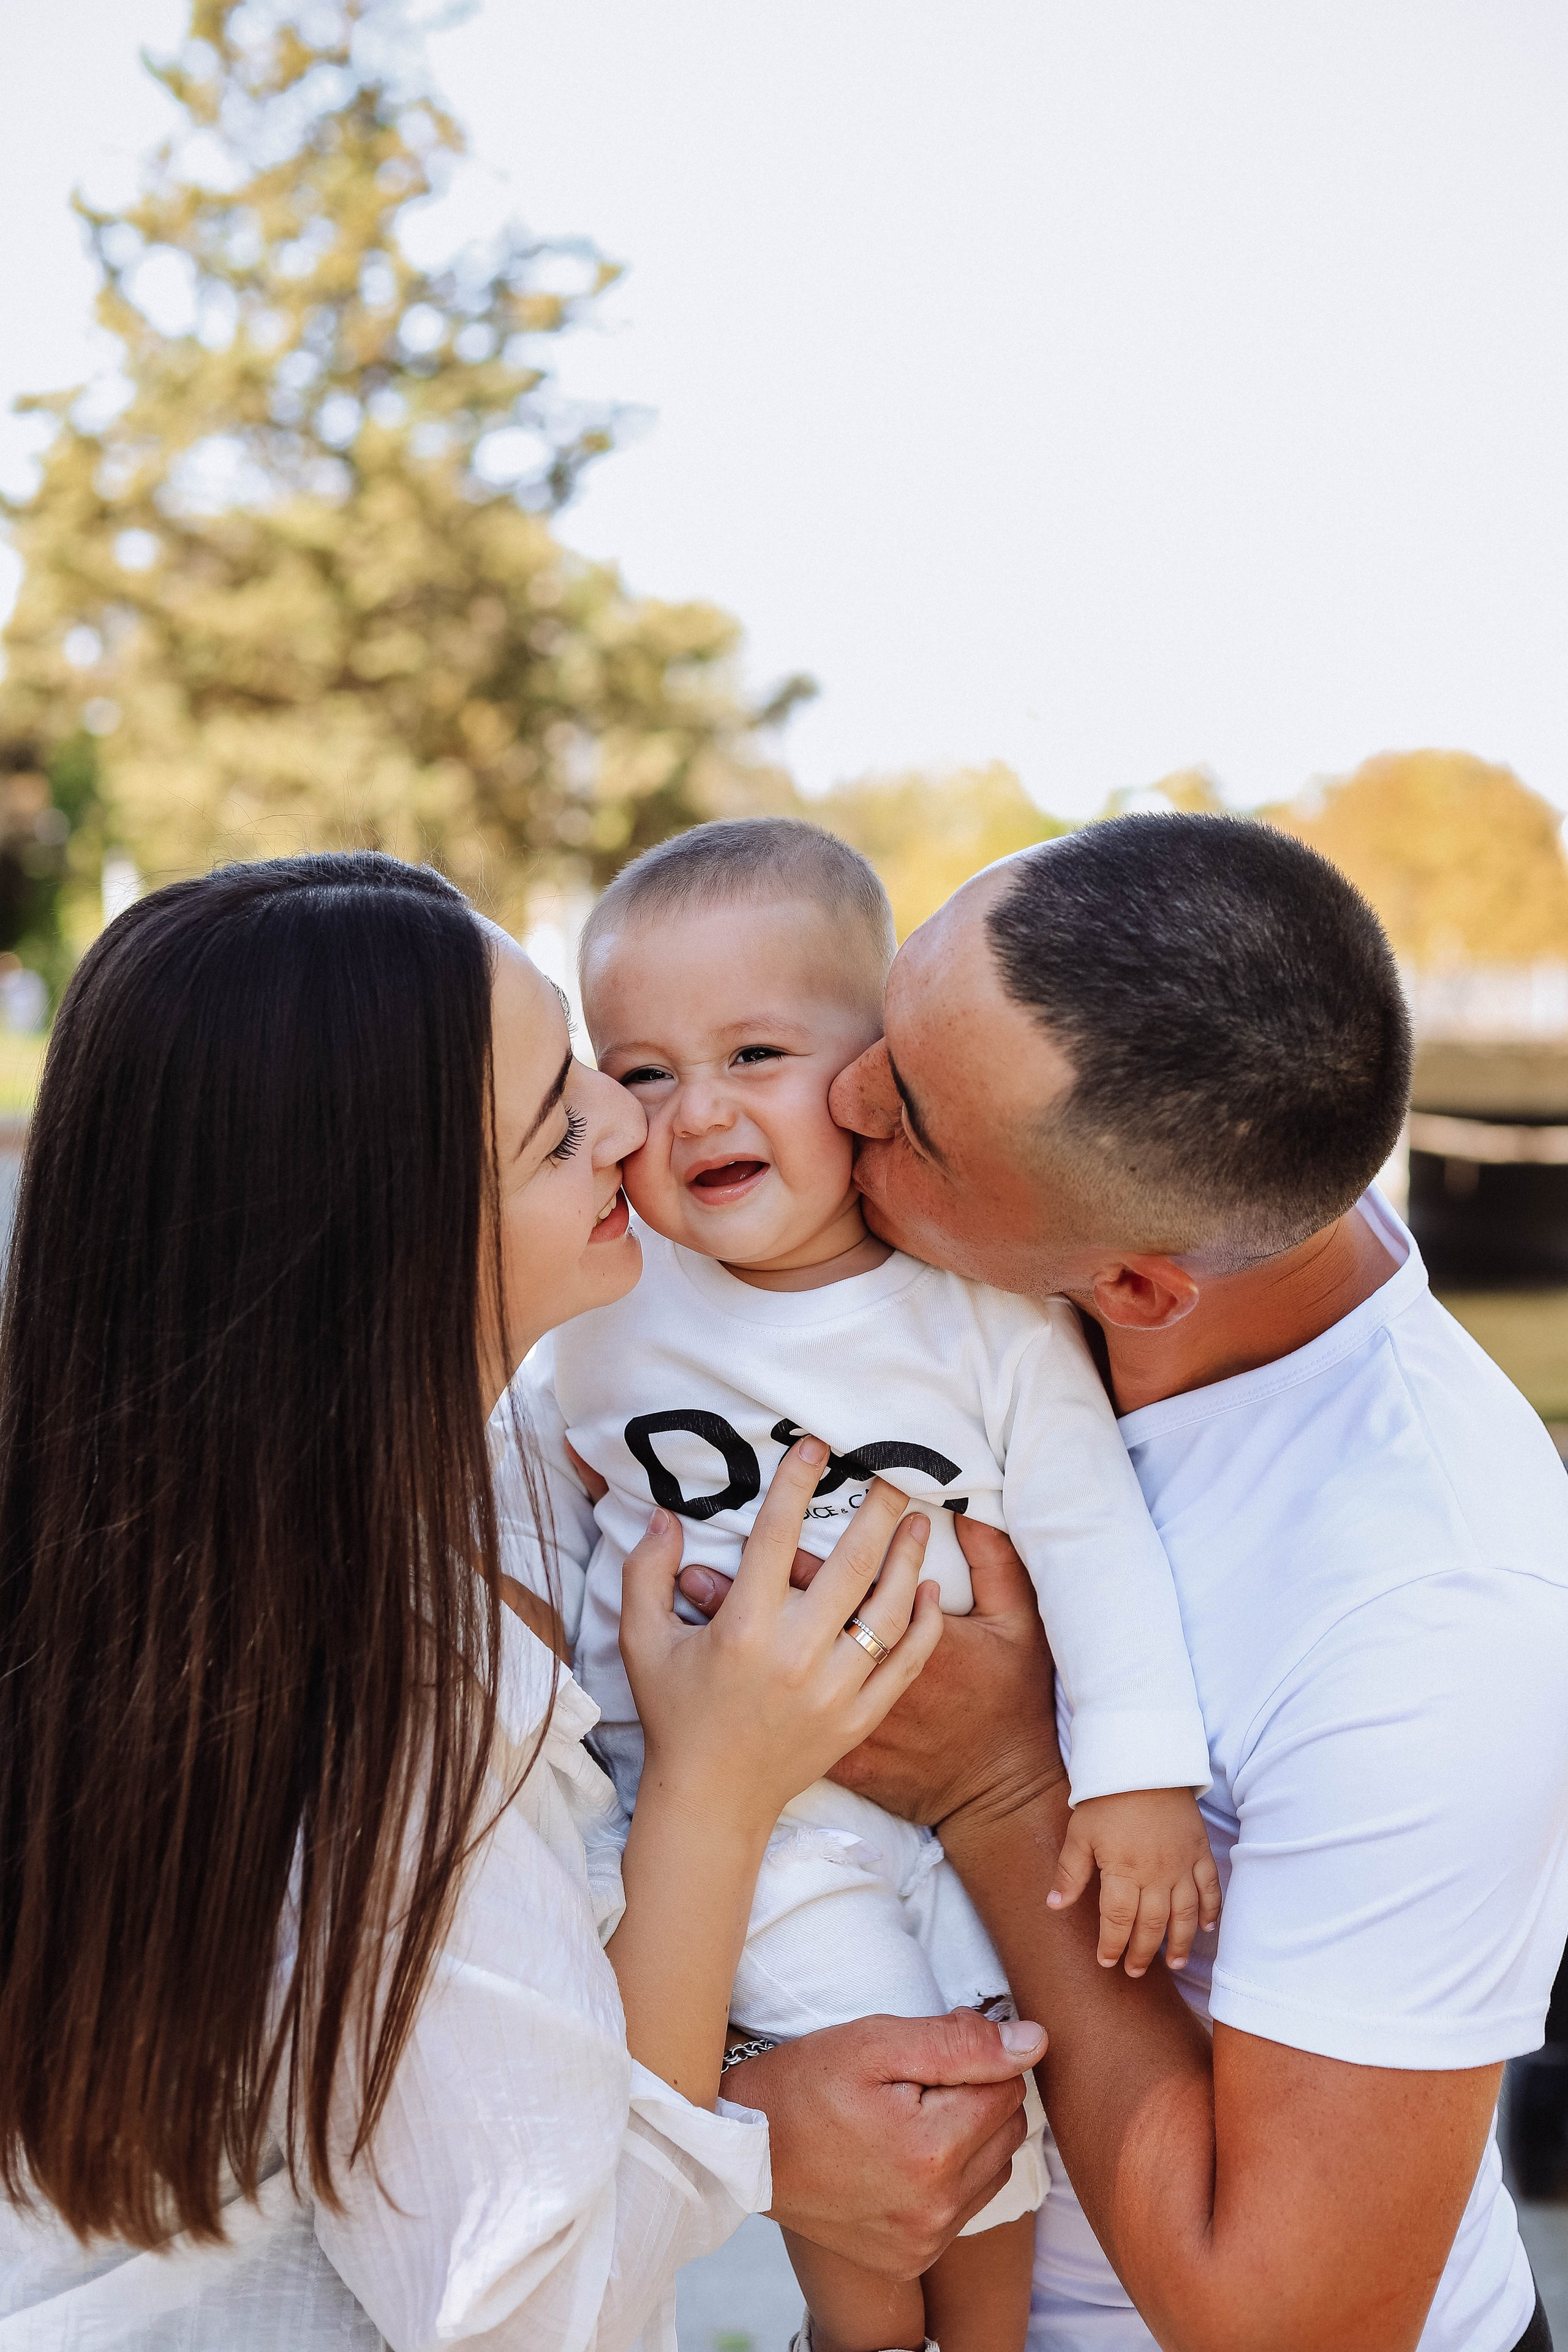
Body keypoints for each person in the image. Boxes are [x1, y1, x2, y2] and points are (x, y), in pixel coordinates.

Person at [0, 851, 1044, 2351]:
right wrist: (716, 1790)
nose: (631, 1121)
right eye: (564, 1116)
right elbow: (536, 2310)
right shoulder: (399, 1695)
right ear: (393, 1242)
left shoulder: (175, 1548)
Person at [705, 813, 1568, 2352]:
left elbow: (1286, 2327)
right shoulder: (1042, 1248)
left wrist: (1000, 1790)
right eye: (885, 1023)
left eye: (907, 1120)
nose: (839, 1097)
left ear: (1136, 1284)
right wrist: (737, 2100)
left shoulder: (1432, 1613)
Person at [510, 817, 1219, 2352]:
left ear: (870, 1079)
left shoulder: (981, 1315)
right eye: (641, 1072)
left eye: (753, 1053)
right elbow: (549, 1505)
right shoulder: (614, 1311)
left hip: (962, 1802)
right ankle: (858, 2339)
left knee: (994, 2092)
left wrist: (1139, 1777)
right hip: (760, 1829)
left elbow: (1090, 1537)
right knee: (880, 2075)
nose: (697, 1107)